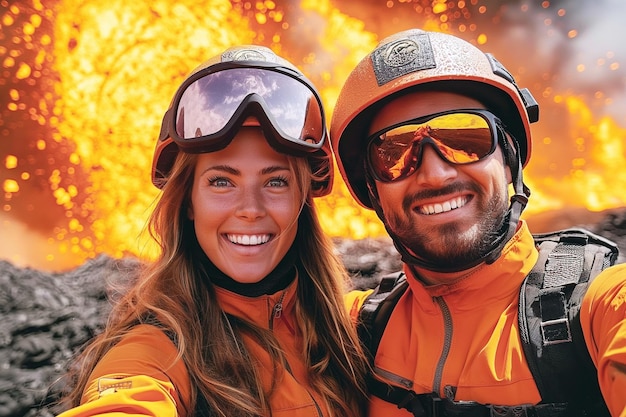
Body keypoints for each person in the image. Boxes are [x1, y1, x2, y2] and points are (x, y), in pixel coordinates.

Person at [57, 45, 369, 417]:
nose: (250, 209)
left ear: (303, 200)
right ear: (188, 201)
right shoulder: (155, 350)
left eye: (276, 182)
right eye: (222, 181)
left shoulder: (357, 328)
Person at [330, 28, 626, 416]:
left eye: (465, 139)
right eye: (394, 152)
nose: (435, 175)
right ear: (372, 191)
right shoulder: (352, 331)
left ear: (508, 160)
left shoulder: (600, 305)